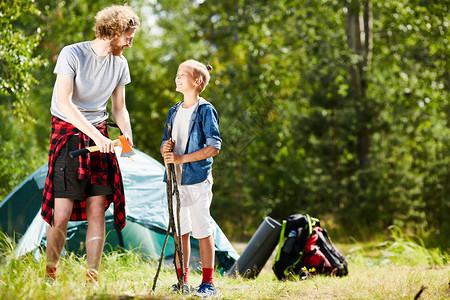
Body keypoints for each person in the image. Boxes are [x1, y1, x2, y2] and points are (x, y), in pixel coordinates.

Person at [41, 5, 140, 284]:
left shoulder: (120, 64)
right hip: (69, 138)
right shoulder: (72, 53)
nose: (130, 43)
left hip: (100, 137)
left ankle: (91, 279)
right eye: (128, 36)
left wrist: (126, 134)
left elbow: (119, 108)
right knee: (61, 214)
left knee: (98, 210)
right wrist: (98, 137)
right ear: (114, 31)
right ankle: (50, 277)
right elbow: (64, 103)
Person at [161, 60, 221, 298]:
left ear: (197, 82)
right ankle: (182, 281)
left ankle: (208, 283)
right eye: (177, 74)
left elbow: (213, 147)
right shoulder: (174, 111)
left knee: (202, 229)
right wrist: (165, 148)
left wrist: (181, 159)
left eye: (182, 75)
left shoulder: (206, 110)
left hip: (196, 180)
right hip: (174, 181)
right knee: (181, 231)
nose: (177, 78)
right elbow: (167, 145)